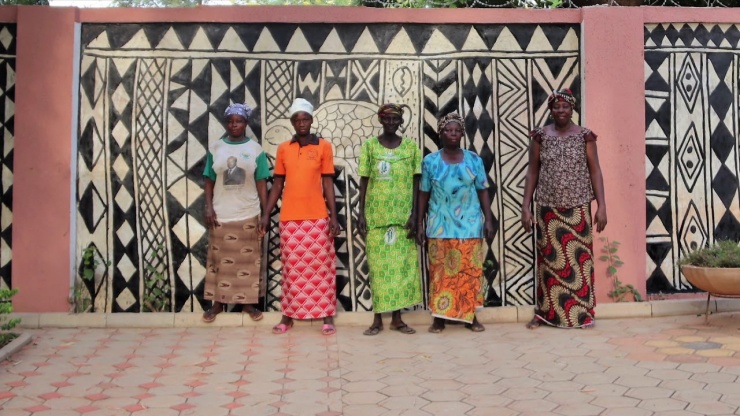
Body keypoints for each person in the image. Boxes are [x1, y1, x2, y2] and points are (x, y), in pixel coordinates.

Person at [521, 88, 607, 329]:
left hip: (578, 208)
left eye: (566, 107)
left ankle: (582, 315)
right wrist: (525, 207)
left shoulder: (585, 136)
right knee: (549, 263)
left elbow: (595, 171)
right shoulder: (540, 136)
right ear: (550, 110)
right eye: (556, 107)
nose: (561, 111)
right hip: (548, 209)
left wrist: (602, 206)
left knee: (580, 261)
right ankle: (546, 314)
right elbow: (532, 171)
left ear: (572, 109)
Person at [258, 98, 340, 336]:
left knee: (321, 268)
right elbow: (277, 184)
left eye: (305, 119)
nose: (302, 123)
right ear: (292, 122)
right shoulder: (284, 148)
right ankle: (288, 316)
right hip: (290, 219)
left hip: (317, 218)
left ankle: (327, 317)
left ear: (311, 120)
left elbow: (327, 182)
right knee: (292, 270)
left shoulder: (323, 147)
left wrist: (333, 217)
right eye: (297, 119)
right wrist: (266, 215)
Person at [417, 112, 494, 334]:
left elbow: (482, 190)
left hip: (469, 225)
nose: (452, 134)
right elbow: (423, 193)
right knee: (440, 273)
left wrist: (488, 219)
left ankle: (470, 317)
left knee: (468, 272)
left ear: (462, 134)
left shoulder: (473, 160)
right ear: (441, 133)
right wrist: (421, 224)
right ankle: (439, 319)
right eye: (448, 130)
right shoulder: (430, 161)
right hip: (439, 225)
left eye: (457, 130)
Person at [357, 103, 423, 336]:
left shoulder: (411, 148)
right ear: (381, 120)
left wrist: (416, 215)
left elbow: (417, 182)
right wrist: (361, 213)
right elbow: (364, 180)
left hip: (403, 218)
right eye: (388, 119)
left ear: (401, 122)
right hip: (377, 218)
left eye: (396, 120)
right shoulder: (370, 147)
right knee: (378, 269)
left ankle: (397, 319)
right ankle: (377, 319)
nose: (392, 123)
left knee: (402, 270)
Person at [202, 103, 269, 323]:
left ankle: (248, 305)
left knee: (248, 262)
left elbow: (261, 182)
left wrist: (265, 212)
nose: (234, 125)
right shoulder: (216, 148)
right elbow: (209, 179)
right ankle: (217, 304)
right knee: (218, 261)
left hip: (248, 212)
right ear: (226, 123)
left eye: (238, 121)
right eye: (230, 121)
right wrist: (208, 206)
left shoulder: (255, 150)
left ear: (245, 123)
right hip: (222, 213)